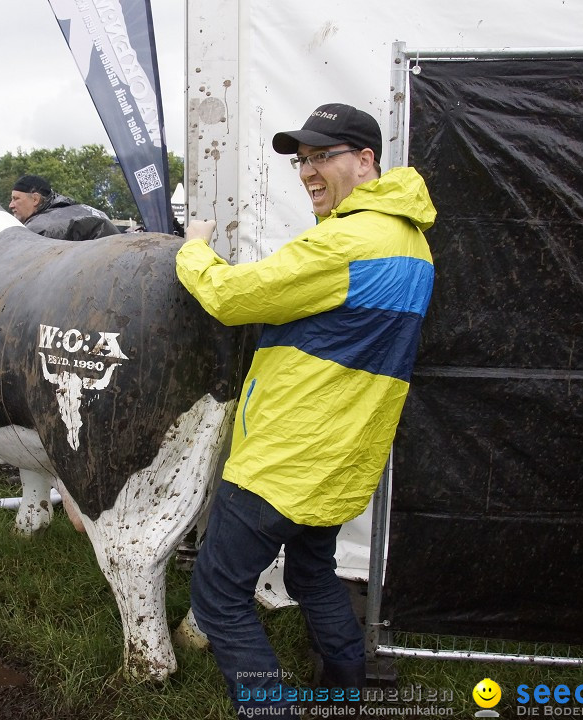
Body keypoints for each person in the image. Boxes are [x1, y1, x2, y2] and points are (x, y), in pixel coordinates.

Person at [175, 103, 436, 716]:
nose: (308, 172)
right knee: (311, 576)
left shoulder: (346, 241)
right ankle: (343, 698)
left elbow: (233, 297)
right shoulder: (412, 241)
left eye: (324, 156)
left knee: (218, 596)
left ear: (366, 160)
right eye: (303, 160)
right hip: (342, 459)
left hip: (285, 459)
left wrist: (194, 248)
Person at [8, 174, 120, 240]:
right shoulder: (79, 209)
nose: (11, 205)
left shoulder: (40, 228)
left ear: (35, 199)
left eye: (16, 199)